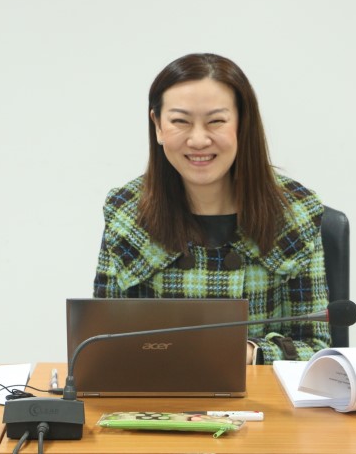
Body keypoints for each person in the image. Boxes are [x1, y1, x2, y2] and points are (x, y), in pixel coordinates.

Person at [93, 53, 330, 364]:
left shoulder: (296, 212)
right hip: (158, 392)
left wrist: (250, 353)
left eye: (216, 121)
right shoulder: (126, 212)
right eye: (180, 122)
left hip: (260, 393)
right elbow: (101, 343)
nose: (198, 140)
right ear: (158, 126)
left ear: (242, 123)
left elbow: (316, 348)